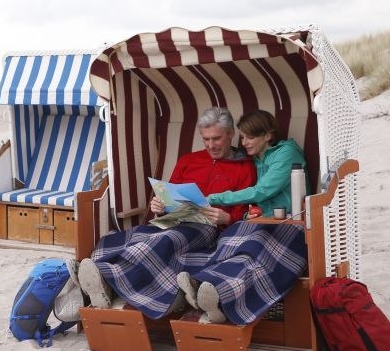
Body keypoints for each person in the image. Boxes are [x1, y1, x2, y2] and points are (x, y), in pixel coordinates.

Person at [76, 107, 256, 319]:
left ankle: (106, 278)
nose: (210, 145)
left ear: (231, 134)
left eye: (216, 138)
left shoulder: (244, 167)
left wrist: (228, 218)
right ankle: (98, 277)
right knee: (126, 237)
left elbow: (245, 213)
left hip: (208, 228)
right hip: (174, 219)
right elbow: (169, 197)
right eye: (205, 139)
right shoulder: (188, 160)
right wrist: (159, 205)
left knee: (162, 240)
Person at [176, 110, 309, 324]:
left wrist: (214, 198)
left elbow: (262, 191)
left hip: (289, 223)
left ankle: (215, 293)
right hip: (262, 220)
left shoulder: (287, 153)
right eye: (243, 137)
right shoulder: (258, 158)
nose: (244, 143)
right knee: (231, 239)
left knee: (252, 246)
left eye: (249, 137)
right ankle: (206, 286)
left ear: (267, 135)